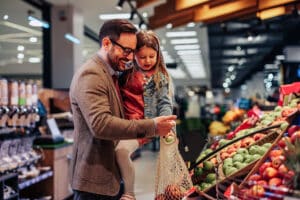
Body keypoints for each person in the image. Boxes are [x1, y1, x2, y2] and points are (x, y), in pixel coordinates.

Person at [69, 19, 177, 200]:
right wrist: (152, 126)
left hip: (108, 180)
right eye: (126, 50)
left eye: (132, 52)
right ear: (106, 43)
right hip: (94, 183)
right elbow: (100, 125)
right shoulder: (92, 74)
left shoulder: (113, 74)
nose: (129, 57)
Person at [116, 30, 175, 200]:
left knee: (121, 151)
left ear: (158, 55)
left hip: (143, 126)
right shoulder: (125, 73)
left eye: (151, 56)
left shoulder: (159, 77)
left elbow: (164, 103)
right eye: (142, 57)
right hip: (122, 124)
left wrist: (167, 124)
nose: (147, 61)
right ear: (134, 55)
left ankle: (129, 193)